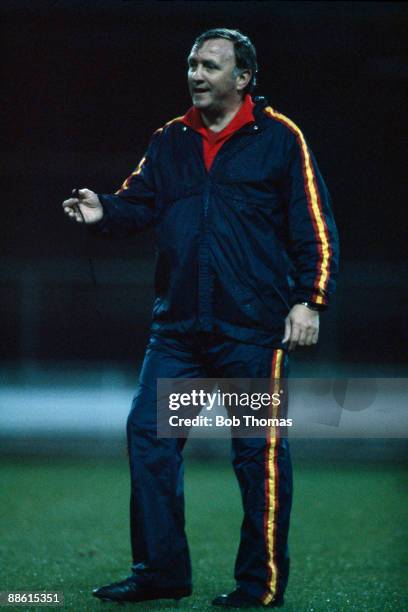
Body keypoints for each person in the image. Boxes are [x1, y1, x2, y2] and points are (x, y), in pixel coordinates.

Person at [63, 28, 339, 609]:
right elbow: (137, 202)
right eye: (192, 63)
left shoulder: (281, 138)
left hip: (251, 332)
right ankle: (162, 574)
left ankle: (258, 585)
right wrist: (103, 211)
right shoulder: (170, 140)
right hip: (180, 335)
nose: (196, 74)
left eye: (211, 66)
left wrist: (309, 300)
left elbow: (313, 228)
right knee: (150, 440)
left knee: (256, 455)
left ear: (242, 79)